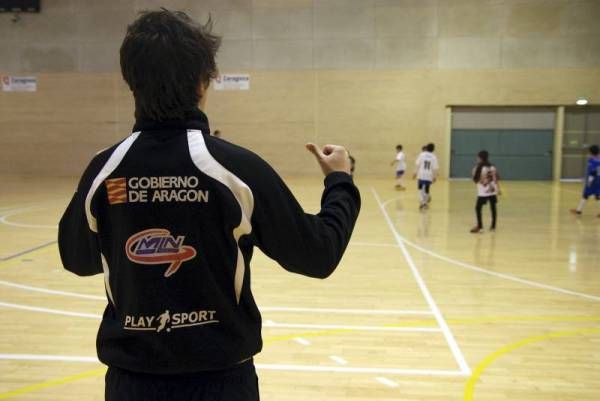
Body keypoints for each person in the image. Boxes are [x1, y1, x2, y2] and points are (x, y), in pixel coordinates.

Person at [57, 9, 360, 401]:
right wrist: (340, 180)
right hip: (222, 385)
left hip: (131, 384)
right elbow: (318, 254)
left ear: (130, 81)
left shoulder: (104, 170)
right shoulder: (236, 169)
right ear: (204, 81)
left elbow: (77, 259)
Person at [470, 150, 500, 233]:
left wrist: (473, 174)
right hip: (492, 190)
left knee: (478, 208)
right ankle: (493, 226)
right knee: (493, 207)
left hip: (483, 191)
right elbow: (496, 178)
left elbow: (475, 180)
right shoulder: (492, 167)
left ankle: (480, 226)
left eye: (478, 157)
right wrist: (498, 189)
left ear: (480, 158)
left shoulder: (478, 167)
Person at [570, 144, 600, 216]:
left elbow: (593, 172)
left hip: (593, 181)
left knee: (586, 195)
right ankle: (578, 210)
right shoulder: (595, 159)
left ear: (591, 152)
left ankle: (578, 211)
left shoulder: (593, 161)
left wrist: (589, 181)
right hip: (598, 180)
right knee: (596, 195)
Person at [413, 143, 438, 209]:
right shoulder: (434, 156)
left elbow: (417, 164)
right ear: (433, 149)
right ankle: (425, 203)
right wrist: (435, 176)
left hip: (421, 174)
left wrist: (415, 173)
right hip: (429, 175)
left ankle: (421, 202)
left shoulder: (422, 154)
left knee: (420, 188)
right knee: (427, 189)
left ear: (426, 148)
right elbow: (435, 168)